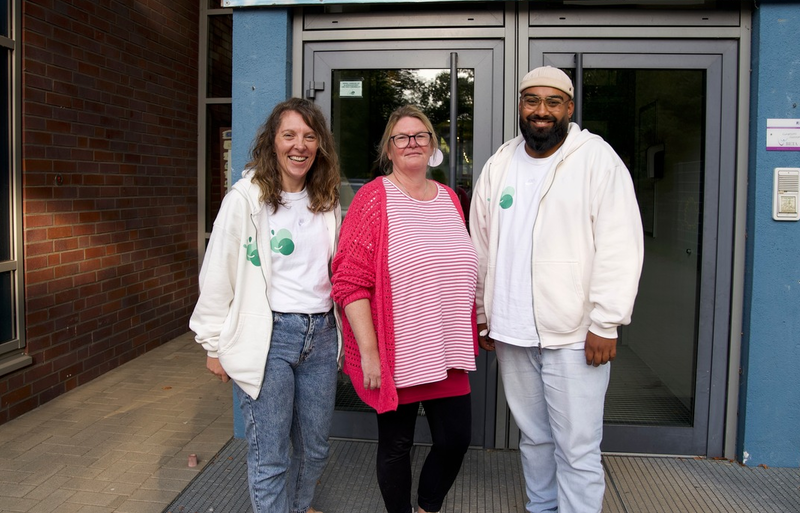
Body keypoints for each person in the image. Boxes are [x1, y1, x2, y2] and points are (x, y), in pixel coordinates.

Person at [470, 67, 644, 513]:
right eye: (532, 101)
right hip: (511, 329)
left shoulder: (596, 160)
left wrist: (606, 321)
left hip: (575, 332)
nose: (541, 111)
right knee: (535, 438)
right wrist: (484, 313)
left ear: (569, 108)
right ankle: (541, 508)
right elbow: (482, 244)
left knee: (578, 446)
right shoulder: (500, 164)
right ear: (520, 106)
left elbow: (620, 244)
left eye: (552, 102)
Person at [189, 98, 341, 513]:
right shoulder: (246, 198)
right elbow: (218, 270)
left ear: (320, 145)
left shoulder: (325, 198)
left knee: (315, 449)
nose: (300, 145)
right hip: (268, 337)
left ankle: (298, 506)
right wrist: (213, 344)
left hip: (322, 337)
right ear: (272, 142)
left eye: (309, 136)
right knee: (270, 454)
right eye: (289, 134)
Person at [331, 105, 478, 513]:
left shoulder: (451, 198)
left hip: (447, 349)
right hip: (399, 352)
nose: (412, 143)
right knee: (397, 445)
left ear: (433, 146)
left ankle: (427, 507)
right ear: (389, 150)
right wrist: (372, 353)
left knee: (454, 441)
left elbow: (459, 268)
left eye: (420, 136)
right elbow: (350, 281)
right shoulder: (373, 199)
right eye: (402, 137)